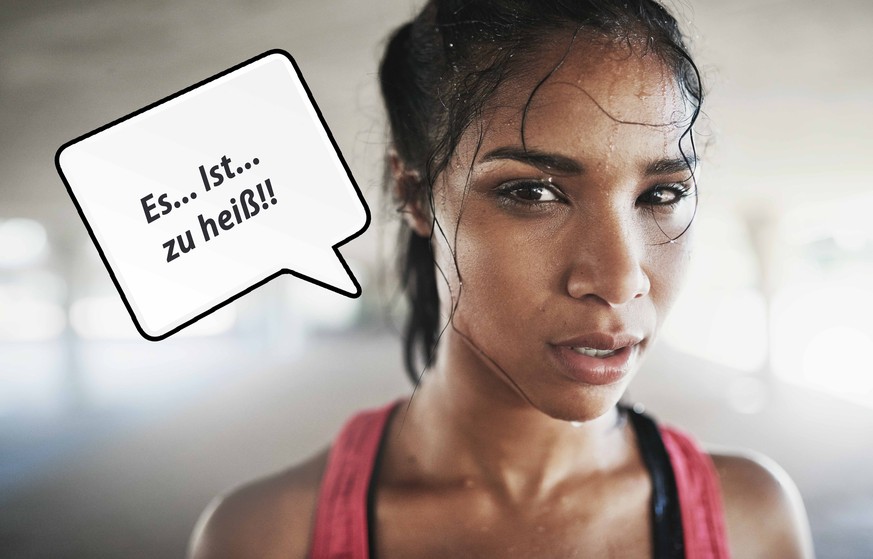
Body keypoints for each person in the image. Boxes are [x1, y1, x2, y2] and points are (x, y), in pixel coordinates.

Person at [188, 1, 815, 557]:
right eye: (532, 191)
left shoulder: (753, 522)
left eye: (661, 193)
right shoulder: (265, 537)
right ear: (415, 194)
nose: (620, 280)